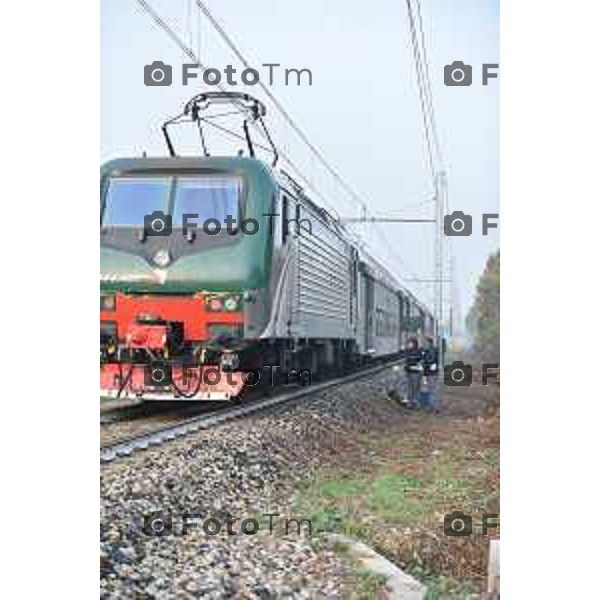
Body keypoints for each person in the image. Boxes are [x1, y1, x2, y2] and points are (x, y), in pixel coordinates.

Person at [403, 337, 423, 408]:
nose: (409, 344)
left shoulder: (418, 351)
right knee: (409, 387)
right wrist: (406, 367)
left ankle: (416, 403)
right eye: (408, 343)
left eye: (410, 343)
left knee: (416, 387)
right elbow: (406, 361)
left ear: (414, 343)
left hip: (416, 372)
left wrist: (416, 366)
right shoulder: (407, 351)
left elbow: (420, 361)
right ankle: (410, 403)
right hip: (409, 371)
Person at [422, 337, 440, 412]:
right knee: (433, 389)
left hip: (431, 373)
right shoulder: (431, 350)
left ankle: (433, 407)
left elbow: (430, 360)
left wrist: (423, 363)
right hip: (432, 372)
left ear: (429, 343)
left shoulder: (430, 351)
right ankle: (433, 406)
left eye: (425, 343)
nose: (424, 344)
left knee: (432, 389)